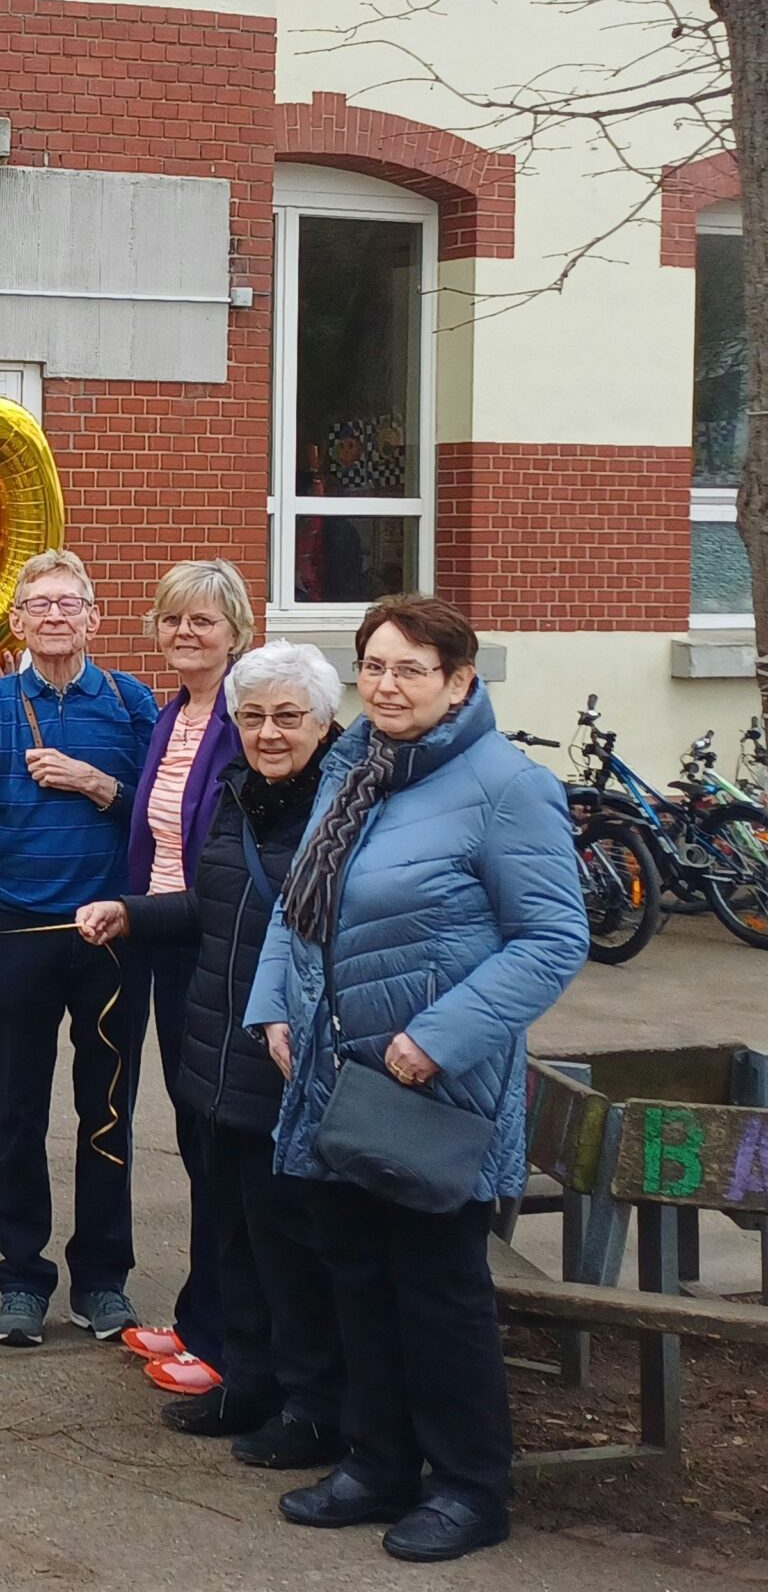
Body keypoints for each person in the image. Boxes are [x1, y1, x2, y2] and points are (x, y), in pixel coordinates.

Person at [248, 596, 585, 1563]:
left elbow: (553, 938)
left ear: (459, 682)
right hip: (333, 1072)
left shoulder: (506, 786)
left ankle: (471, 1489)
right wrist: (274, 1006)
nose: (388, 686)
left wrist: (436, 1039)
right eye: (376, 667)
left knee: (438, 1290)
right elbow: (297, 904)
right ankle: (379, 1463)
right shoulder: (355, 768)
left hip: (433, 1083)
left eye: (411, 670)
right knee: (356, 1272)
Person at [76, 642, 348, 1467]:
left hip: (287, 1052)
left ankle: (314, 1408)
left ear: (326, 722)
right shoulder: (238, 795)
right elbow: (215, 903)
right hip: (216, 1039)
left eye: (288, 717)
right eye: (254, 716)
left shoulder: (338, 810)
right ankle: (250, 1379)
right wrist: (134, 911)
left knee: (290, 1240)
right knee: (234, 1230)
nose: (269, 733)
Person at [0, 549, 159, 1350]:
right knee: (17, 1112)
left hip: (110, 933)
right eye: (40, 605)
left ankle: (102, 1282)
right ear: (18, 622)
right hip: (21, 930)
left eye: (71, 603)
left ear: (94, 618)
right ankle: (22, 1281)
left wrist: (95, 784)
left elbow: (161, 821)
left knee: (107, 1115)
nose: (56, 616)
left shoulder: (135, 706)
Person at [114, 559, 252, 1393]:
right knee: (195, 1137)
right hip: (168, 943)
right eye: (172, 620)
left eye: (203, 621)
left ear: (236, 630)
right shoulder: (174, 715)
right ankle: (203, 1316)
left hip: (217, 948)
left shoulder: (243, 717)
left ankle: (228, 1337)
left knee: (222, 1142)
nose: (186, 634)